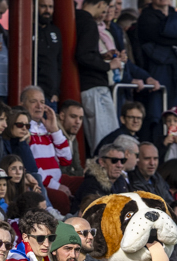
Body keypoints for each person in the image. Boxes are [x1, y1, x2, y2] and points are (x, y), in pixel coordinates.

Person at [21, 87, 73, 212]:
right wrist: (56, 186)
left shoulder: (47, 128)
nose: (39, 106)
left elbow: (66, 160)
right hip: (41, 184)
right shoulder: (23, 130)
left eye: (42, 102)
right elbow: (32, 167)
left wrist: (54, 129)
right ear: (23, 105)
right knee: (61, 198)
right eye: (33, 101)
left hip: (57, 180)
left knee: (85, 183)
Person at [76, 0, 119, 151]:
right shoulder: (89, 23)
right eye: (106, 6)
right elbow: (84, 55)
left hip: (85, 86)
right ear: (101, 3)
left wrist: (101, 57)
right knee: (107, 142)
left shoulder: (76, 19)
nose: (105, 12)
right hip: (95, 87)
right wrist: (108, 65)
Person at [72, 143, 129, 212]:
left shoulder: (121, 180)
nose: (119, 165)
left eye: (122, 161)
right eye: (114, 160)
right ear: (102, 162)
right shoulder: (92, 183)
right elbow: (96, 212)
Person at [37, 0, 62, 106]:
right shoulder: (26, 30)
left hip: (51, 96)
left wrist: (56, 92)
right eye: (43, 6)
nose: (47, 10)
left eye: (50, 7)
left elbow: (58, 64)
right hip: (34, 93)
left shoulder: (55, 31)